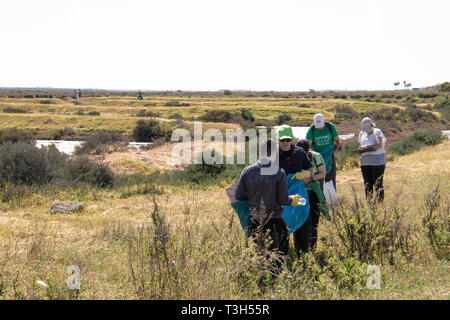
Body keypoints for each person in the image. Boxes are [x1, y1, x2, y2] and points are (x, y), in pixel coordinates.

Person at [235, 139, 302, 269]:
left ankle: (262, 282)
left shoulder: (247, 171)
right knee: (278, 255)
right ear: (274, 153)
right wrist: (291, 199)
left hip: (255, 219)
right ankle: (276, 281)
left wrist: (253, 196)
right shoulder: (279, 172)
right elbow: (283, 200)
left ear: (260, 152)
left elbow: (238, 195)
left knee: (260, 253)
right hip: (275, 219)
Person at [277, 125, 315, 256]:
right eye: (283, 140)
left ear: (292, 138)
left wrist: (304, 174)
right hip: (282, 195)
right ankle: (282, 257)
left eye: (288, 139)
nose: (286, 143)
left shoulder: (299, 152)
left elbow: (311, 170)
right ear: (278, 140)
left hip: (299, 193)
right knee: (282, 226)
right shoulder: (273, 155)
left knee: (303, 223)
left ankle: (302, 255)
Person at [296, 139, 328, 251]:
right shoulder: (295, 156)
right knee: (299, 221)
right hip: (300, 194)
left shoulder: (315, 157)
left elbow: (323, 173)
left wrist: (310, 179)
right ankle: (299, 248)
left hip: (314, 194)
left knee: (314, 221)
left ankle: (312, 248)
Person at [355, 117, 386, 203]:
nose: (366, 130)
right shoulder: (361, 133)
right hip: (365, 161)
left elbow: (379, 145)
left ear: (372, 125)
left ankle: (379, 202)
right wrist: (360, 149)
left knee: (377, 183)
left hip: (377, 161)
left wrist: (367, 147)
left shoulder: (377, 132)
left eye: (368, 128)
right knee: (367, 183)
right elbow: (360, 145)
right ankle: (369, 201)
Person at [306, 113, 340, 190]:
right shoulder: (311, 130)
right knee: (318, 180)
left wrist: (336, 147)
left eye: (321, 125)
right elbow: (308, 145)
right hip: (317, 158)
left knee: (330, 178)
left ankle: (332, 199)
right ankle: (320, 200)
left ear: (324, 121)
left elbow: (337, 140)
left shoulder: (330, 127)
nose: (319, 128)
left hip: (329, 157)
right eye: (317, 126)